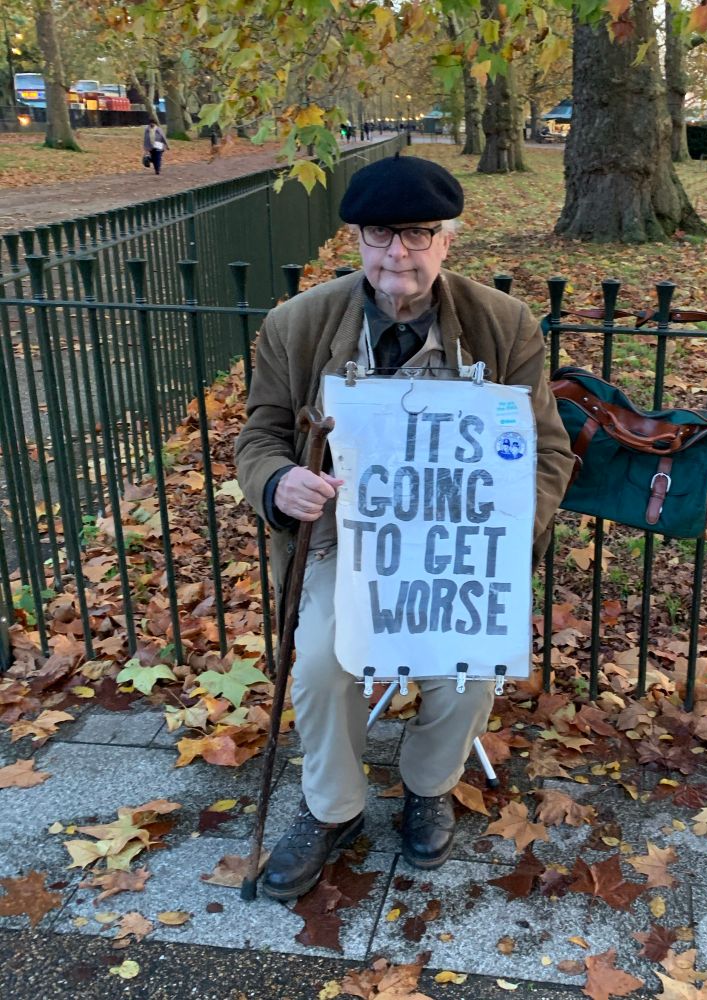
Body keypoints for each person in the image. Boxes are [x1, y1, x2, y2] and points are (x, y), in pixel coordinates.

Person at [235, 154, 575, 900]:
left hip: (458, 544)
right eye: (382, 234)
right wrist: (278, 481)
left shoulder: (503, 324)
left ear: (446, 240)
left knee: (469, 662)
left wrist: (513, 533)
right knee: (323, 661)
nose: (400, 254)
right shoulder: (296, 326)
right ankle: (334, 810)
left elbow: (546, 448)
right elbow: (258, 436)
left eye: (418, 234)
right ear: (356, 240)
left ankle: (427, 786)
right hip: (341, 543)